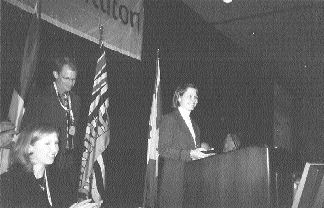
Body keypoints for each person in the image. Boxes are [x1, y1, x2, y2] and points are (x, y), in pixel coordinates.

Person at [21, 56, 81, 199]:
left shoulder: (76, 100)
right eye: (66, 78)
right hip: (47, 161)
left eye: (74, 79)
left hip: (69, 162)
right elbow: (27, 129)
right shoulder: (41, 97)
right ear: (56, 75)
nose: (71, 83)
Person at [0, 124, 100, 208]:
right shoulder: (9, 183)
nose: (54, 149)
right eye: (47, 143)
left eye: (56, 143)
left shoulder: (61, 179)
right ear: (29, 148)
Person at [158, 83, 214, 208]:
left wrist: (205, 153)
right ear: (179, 97)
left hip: (191, 181)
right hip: (174, 180)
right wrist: (190, 154)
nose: (194, 100)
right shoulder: (169, 119)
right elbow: (163, 149)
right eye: (190, 96)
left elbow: (194, 150)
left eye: (196, 97)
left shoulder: (195, 126)